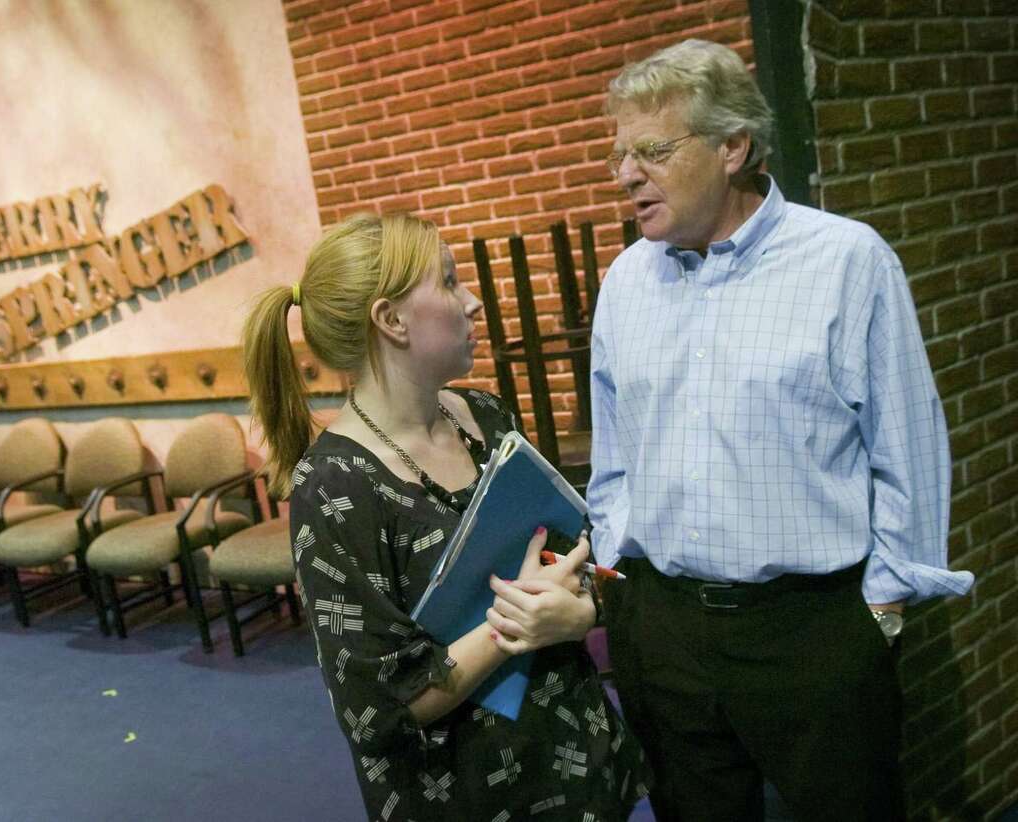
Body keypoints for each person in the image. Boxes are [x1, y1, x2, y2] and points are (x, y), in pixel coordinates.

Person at [588, 38, 974, 821]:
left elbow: (910, 454)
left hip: (810, 635)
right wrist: (619, 576)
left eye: (653, 150)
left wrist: (879, 613)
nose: (628, 174)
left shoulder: (846, 262)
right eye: (621, 154)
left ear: (733, 147)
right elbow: (614, 456)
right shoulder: (628, 278)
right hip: (662, 633)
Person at [243, 213, 649, 820]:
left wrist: (579, 612)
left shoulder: (485, 416)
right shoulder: (333, 485)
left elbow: (573, 554)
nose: (474, 301)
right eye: (452, 282)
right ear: (391, 320)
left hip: (574, 750)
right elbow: (379, 708)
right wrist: (515, 625)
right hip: (465, 790)